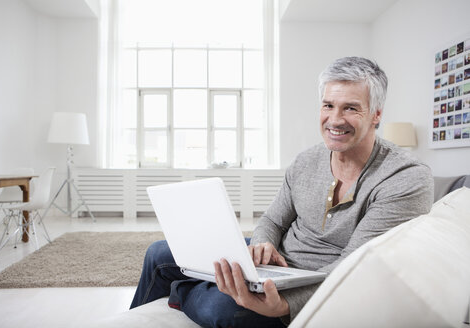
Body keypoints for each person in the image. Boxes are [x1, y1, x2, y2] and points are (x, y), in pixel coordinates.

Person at [130, 57, 434, 327]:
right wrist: (263, 244)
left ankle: (180, 291)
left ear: (376, 115)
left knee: (222, 309)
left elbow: (356, 266)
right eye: (328, 105)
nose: (335, 119)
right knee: (159, 253)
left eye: (351, 108)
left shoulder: (406, 178)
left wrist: (286, 304)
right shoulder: (306, 161)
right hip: (277, 268)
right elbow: (273, 220)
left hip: (321, 282)